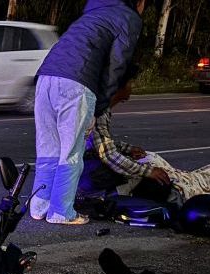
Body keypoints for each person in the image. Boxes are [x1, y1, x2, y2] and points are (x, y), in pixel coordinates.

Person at [31, 0, 146, 226]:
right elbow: (116, 67)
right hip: (77, 82)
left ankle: (39, 206)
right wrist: (99, 107)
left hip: (45, 77)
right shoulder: (128, 18)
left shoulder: (94, 12)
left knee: (48, 149)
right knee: (72, 152)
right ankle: (62, 212)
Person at [81, 66, 210, 202]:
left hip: (94, 167)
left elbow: (99, 143)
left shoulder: (102, 108)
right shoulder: (98, 111)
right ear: (119, 87)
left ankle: (205, 175)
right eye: (131, 83)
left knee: (153, 160)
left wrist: (127, 148)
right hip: (94, 174)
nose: (132, 87)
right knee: (160, 175)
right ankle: (207, 176)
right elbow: (107, 154)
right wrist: (148, 171)